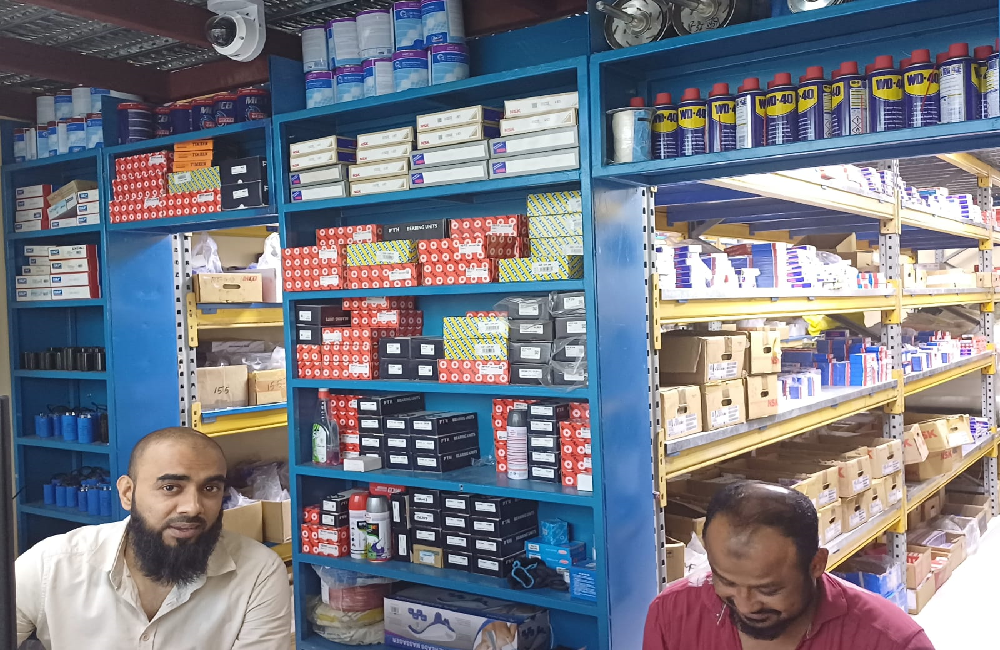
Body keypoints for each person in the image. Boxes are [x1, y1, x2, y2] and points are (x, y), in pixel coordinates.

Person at [16, 427, 291, 650]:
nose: (192, 507)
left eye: (210, 488)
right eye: (170, 487)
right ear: (127, 493)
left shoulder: (257, 573)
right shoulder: (49, 566)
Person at [643, 480, 935, 650]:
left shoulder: (891, 642)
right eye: (726, 581)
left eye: (768, 590)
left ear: (816, 564)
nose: (745, 605)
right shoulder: (672, 614)